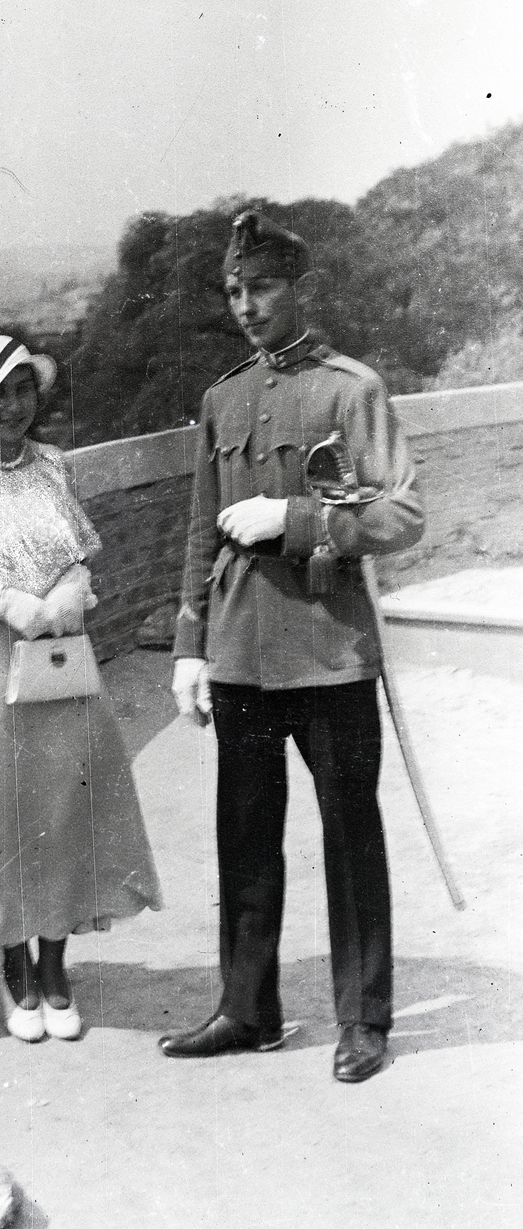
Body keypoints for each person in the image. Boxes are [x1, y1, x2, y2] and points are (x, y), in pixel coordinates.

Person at [161, 210, 424, 1083]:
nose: (246, 304)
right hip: (240, 652)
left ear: (295, 286)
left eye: (261, 287)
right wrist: (189, 647)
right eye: (234, 290)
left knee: (350, 831)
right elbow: (201, 527)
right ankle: (248, 1008)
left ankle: (363, 1019)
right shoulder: (222, 398)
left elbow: (403, 514)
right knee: (244, 832)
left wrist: (299, 518)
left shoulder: (352, 390)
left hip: (329, 648)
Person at [0, 335, 161, 1042]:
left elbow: (79, 552)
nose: (12, 406)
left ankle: (55, 965)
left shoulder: (53, 467)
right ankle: (13, 966)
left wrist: (74, 589)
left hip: (57, 657)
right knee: (1, 815)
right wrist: (2, 602)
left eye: (22, 389)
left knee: (65, 806)